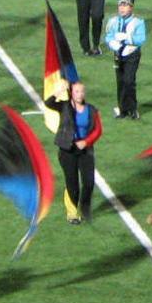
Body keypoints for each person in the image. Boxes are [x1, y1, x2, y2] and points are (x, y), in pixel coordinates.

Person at [46, 81, 102, 224]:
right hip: (67, 149)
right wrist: (58, 91)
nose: (80, 94)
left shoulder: (91, 110)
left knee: (89, 182)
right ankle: (72, 213)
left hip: (85, 150)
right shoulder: (64, 106)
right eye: (77, 91)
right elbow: (49, 103)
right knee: (72, 184)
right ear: (71, 92)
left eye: (82, 91)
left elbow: (98, 130)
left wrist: (86, 142)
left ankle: (84, 208)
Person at [106, 0, 146, 119]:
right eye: (120, 5)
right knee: (120, 82)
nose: (122, 8)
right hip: (118, 54)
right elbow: (109, 36)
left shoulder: (138, 22)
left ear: (131, 7)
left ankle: (133, 108)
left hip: (132, 54)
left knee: (129, 81)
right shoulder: (113, 21)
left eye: (125, 5)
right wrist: (112, 43)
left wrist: (127, 38)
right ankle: (123, 109)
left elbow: (141, 38)